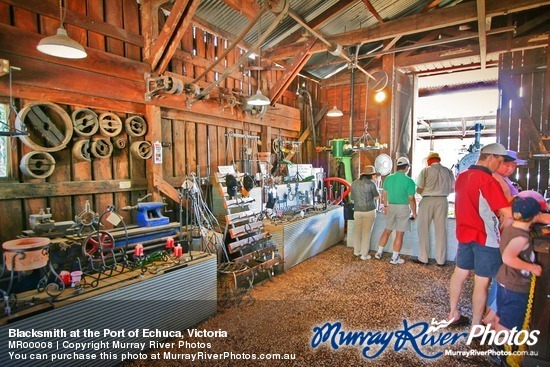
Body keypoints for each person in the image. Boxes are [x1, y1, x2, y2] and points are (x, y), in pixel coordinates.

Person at [448, 143, 513, 329]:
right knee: (482, 282)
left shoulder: (462, 176)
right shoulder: (487, 180)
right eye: (500, 161)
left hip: (463, 233)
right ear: (490, 157)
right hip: (486, 237)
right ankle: (476, 325)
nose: (500, 166)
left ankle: (453, 313)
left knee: (459, 273)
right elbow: (506, 211)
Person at [494, 196, 543, 334]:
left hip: (505, 281)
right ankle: (502, 351)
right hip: (515, 286)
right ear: (535, 216)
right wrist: (532, 267)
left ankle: (499, 346)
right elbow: (508, 258)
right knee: (509, 323)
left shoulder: (510, 228)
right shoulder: (521, 237)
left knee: (502, 316)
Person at [414, 152, 455, 266]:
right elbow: (453, 189)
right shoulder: (448, 171)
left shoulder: (425, 171)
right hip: (442, 200)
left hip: (427, 200)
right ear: (439, 160)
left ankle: (423, 258)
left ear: (429, 160)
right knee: (441, 230)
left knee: (423, 229)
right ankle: (441, 260)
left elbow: (419, 189)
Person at [374, 156, 416, 265]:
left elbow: (384, 194)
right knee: (399, 234)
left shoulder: (388, 178)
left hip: (391, 207)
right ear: (406, 167)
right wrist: (414, 212)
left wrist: (385, 206)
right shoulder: (409, 181)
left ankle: (378, 253)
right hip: (403, 208)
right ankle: (394, 258)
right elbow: (411, 199)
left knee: (387, 230)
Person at [350, 165, 380, 260]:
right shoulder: (371, 184)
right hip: (369, 210)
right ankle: (364, 254)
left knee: (357, 232)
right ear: (371, 175)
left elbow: (352, 198)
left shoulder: (354, 183)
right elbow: (377, 197)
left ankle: (356, 251)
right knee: (366, 233)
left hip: (357, 211)